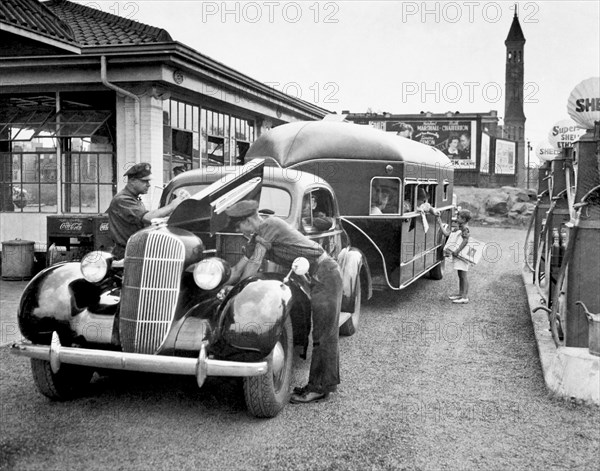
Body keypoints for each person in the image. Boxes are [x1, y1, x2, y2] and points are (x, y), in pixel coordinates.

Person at [224, 200, 343, 404]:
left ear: (249, 219)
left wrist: (238, 291)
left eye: (238, 226)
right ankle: (325, 384)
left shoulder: (269, 225)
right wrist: (220, 285)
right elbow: (237, 270)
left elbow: (254, 262)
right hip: (314, 277)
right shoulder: (257, 236)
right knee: (323, 332)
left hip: (326, 273)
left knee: (324, 334)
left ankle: (318, 388)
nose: (238, 231)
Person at [107, 162, 186, 259]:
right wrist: (172, 206)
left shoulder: (134, 198)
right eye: (145, 181)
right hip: (126, 254)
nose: (148, 185)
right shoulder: (123, 199)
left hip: (135, 250)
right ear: (132, 181)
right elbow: (148, 218)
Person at [436, 209, 472, 304]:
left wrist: (457, 250)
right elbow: (447, 234)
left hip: (462, 255)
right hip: (459, 255)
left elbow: (465, 241)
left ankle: (464, 297)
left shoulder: (465, 228)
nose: (456, 218)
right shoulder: (460, 227)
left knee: (463, 275)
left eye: (459, 217)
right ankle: (461, 294)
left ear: (464, 219)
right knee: (460, 275)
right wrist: (440, 223)